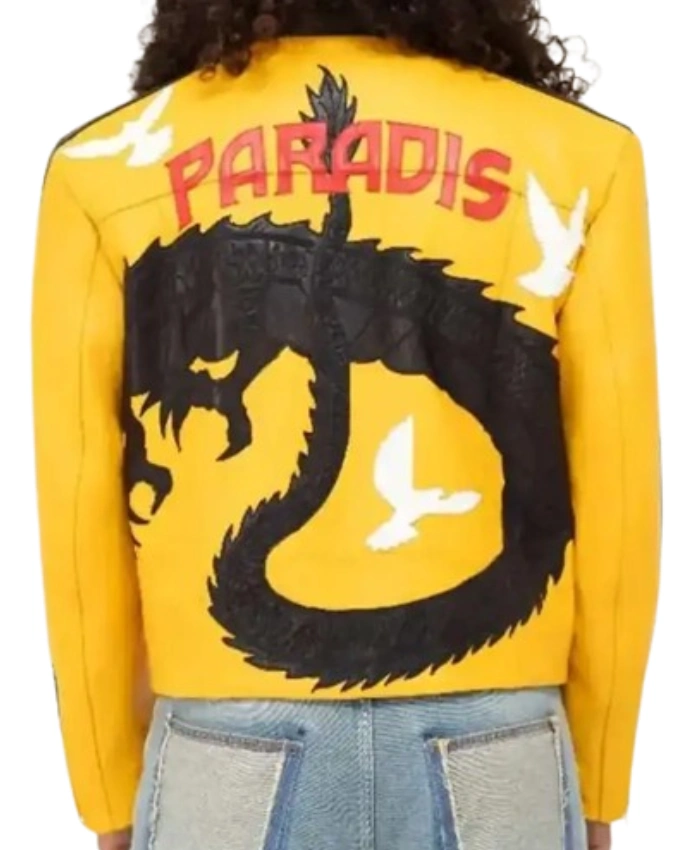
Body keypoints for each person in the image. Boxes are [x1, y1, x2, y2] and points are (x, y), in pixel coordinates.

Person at [31, 1, 660, 849]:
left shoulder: (100, 170)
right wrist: (600, 779)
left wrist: (108, 793)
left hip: (224, 755)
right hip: (499, 748)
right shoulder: (579, 156)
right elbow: (619, 493)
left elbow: (76, 513)